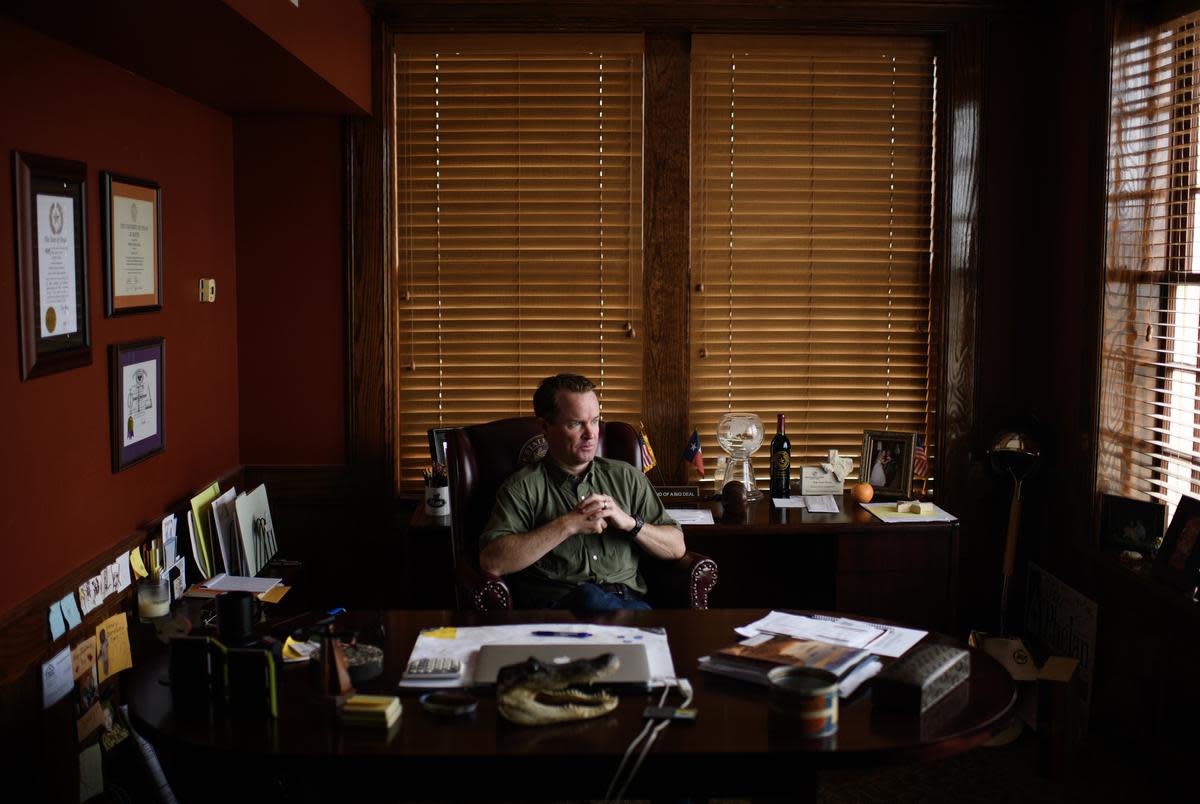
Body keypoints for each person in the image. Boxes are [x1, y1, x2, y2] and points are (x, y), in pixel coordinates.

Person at [479, 373, 686, 610]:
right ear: (545, 427)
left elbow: (677, 546)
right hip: (561, 610)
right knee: (589, 597)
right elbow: (492, 561)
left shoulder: (627, 477)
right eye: (576, 424)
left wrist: (630, 523)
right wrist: (568, 525)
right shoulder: (522, 488)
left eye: (595, 421)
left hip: (626, 602)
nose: (591, 434)